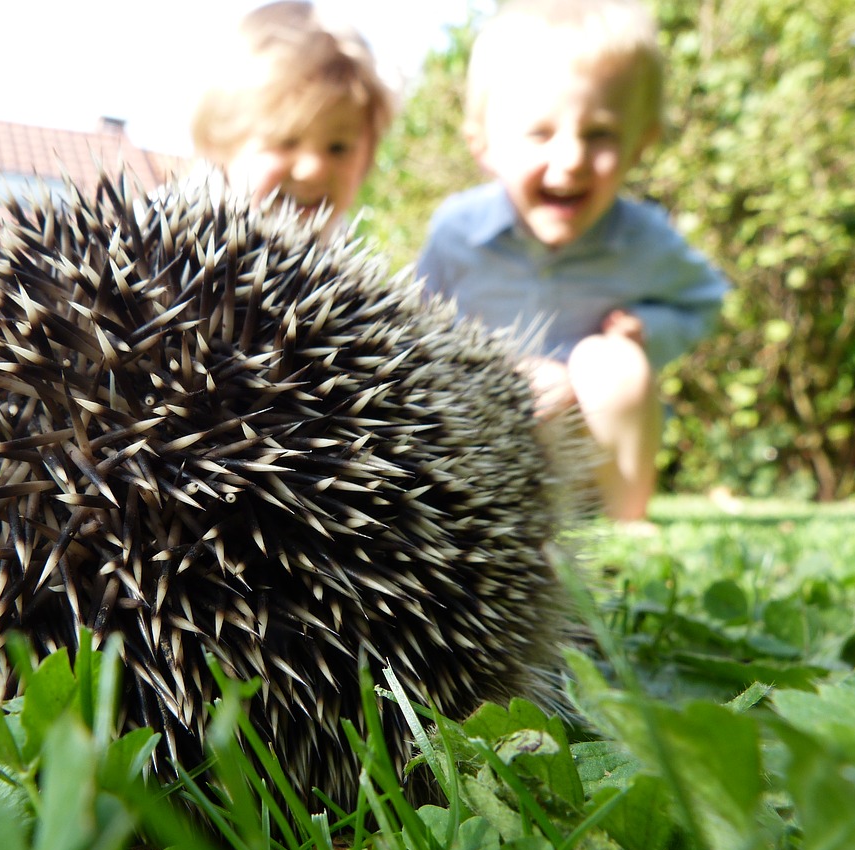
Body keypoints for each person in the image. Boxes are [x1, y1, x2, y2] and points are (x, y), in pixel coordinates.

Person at [417, 0, 728, 522]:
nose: (572, 160)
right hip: (498, 429)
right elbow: (416, 331)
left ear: (640, 143)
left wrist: (643, 332)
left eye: (600, 134)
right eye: (540, 133)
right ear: (483, 146)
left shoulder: (645, 239)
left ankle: (626, 520)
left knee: (610, 365)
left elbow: (706, 303)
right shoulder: (456, 233)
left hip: (594, 443)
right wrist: (503, 374)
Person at [189, 0, 395, 230]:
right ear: (217, 143)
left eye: (339, 147)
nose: (313, 170)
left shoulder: (340, 242)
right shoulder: (156, 237)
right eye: (285, 141)